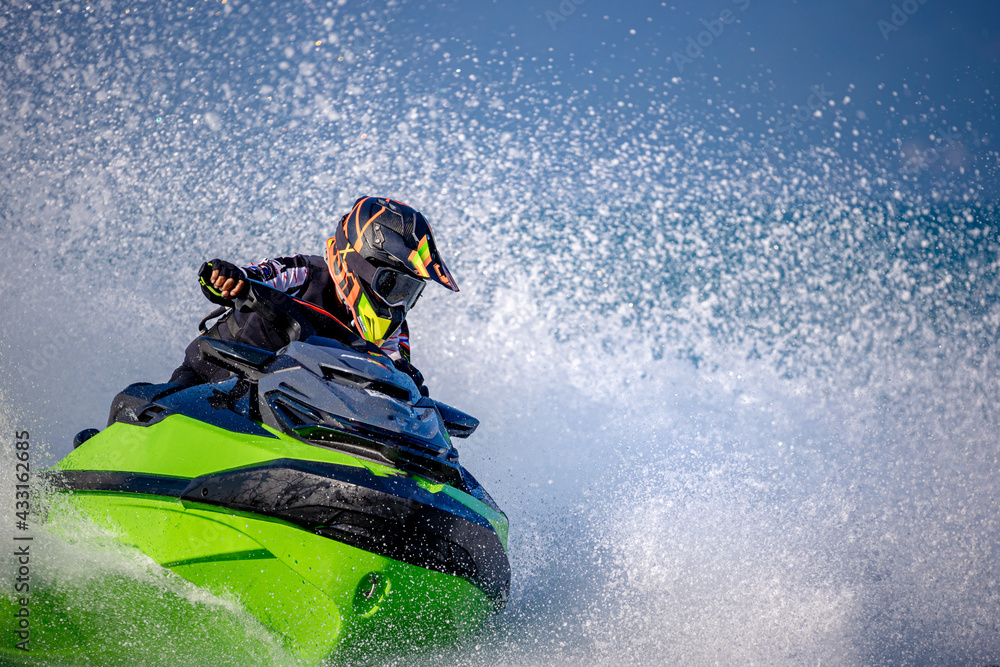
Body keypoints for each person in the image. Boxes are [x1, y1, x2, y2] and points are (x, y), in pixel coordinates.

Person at [169, 196, 459, 395]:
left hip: (285, 409)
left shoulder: (393, 332)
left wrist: (412, 388)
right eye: (392, 286)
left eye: (409, 292)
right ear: (359, 265)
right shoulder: (304, 273)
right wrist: (225, 277)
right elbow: (247, 276)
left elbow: (396, 377)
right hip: (209, 377)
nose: (398, 303)